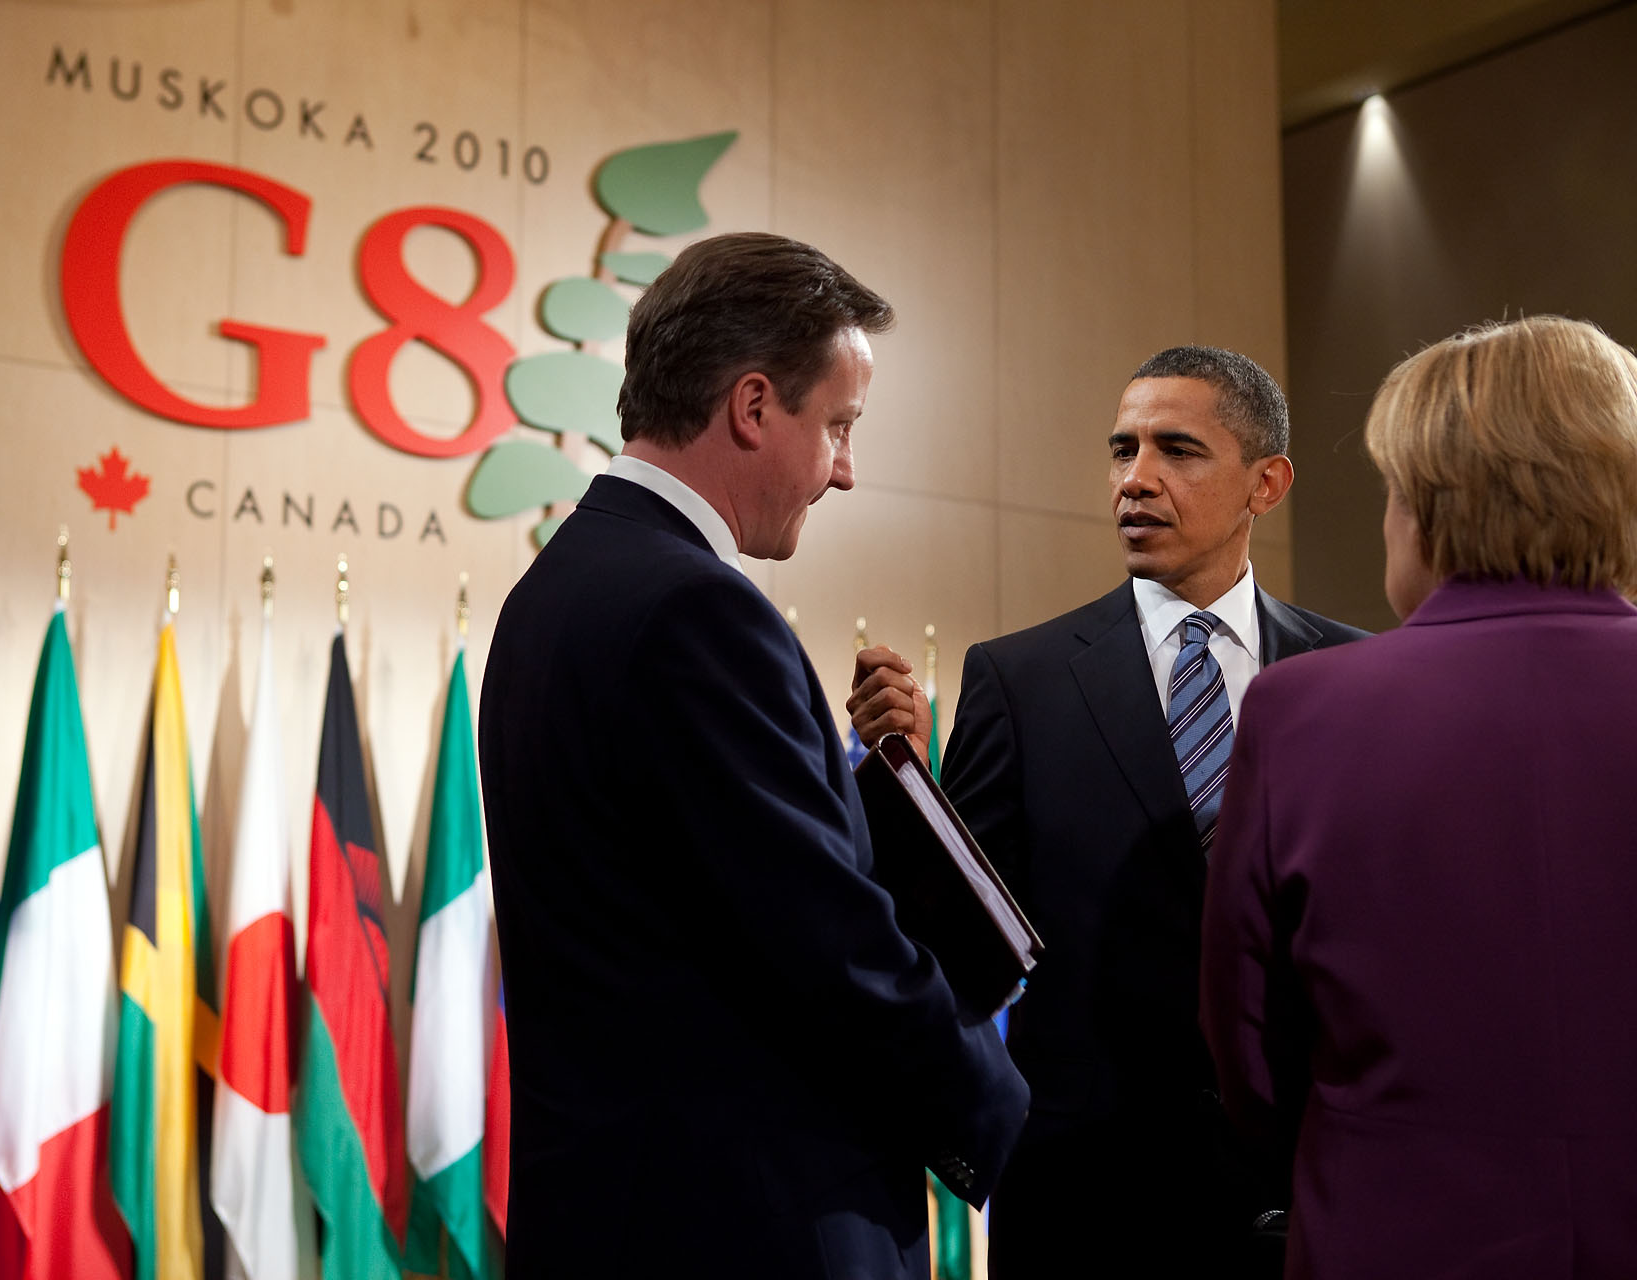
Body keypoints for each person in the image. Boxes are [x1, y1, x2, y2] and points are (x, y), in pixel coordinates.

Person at [479, 232, 1028, 1280]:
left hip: (613, 1215)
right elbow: (829, 941)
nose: (846, 471)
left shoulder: (553, 591)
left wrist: (878, 783)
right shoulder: (698, 609)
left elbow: (694, 879)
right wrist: (1001, 1109)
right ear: (753, 405)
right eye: (839, 425)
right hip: (740, 1225)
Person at [851, 345, 1365, 1276]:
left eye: (1177, 451)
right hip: (1087, 1200)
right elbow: (956, 936)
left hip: (1311, 1187)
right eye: (1122, 450)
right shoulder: (1020, 679)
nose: (1136, 480)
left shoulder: (1355, 678)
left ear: (1268, 483)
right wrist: (901, 783)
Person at [1200, 315, 1637, 1279]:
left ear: (1432, 507)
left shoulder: (1303, 711)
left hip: (1392, 1236)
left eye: (1392, 491)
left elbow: (1249, 1053)